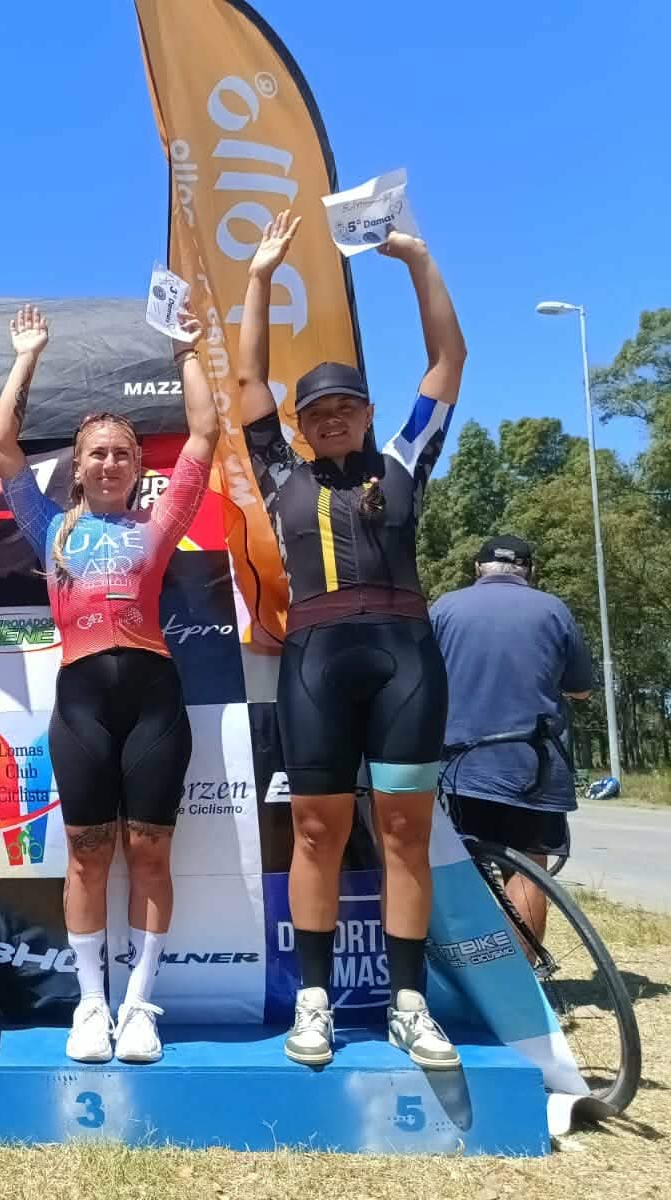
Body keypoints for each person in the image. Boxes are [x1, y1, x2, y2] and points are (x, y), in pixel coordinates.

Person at [239, 210, 466, 1070]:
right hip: (315, 665)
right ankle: (314, 1002)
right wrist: (259, 276)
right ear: (300, 425)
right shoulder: (281, 472)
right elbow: (249, 379)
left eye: (344, 408)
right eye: (317, 412)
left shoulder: (405, 459)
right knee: (314, 833)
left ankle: (409, 1003)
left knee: (405, 832)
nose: (331, 420)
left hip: (406, 659)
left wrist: (416, 257)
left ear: (368, 414)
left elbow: (448, 360)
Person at [0, 302, 217, 1063]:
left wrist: (187, 351)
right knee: (87, 855)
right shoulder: (50, 529)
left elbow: (205, 434)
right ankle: (91, 1004)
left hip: (155, 702)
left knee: (150, 854)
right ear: (78, 466)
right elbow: (3, 442)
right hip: (81, 705)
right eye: (97, 454)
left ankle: (140, 1004)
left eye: (122, 453)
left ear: (138, 467)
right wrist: (26, 356)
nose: (110, 463)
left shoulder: (158, 526)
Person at [432, 535, 593, 947]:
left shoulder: (444, 609)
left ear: (477, 569)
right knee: (527, 869)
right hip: (532, 764)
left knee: (451, 869)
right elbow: (581, 689)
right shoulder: (553, 610)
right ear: (530, 571)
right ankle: (526, 977)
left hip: (459, 767)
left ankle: (470, 971)